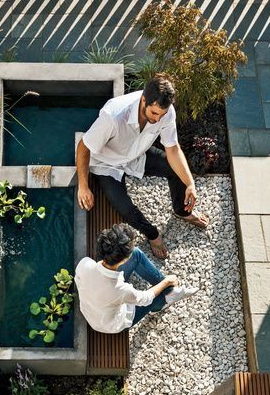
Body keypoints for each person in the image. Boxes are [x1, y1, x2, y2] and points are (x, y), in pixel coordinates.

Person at [76, 73, 209, 259]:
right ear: (144, 99)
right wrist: (83, 186)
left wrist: (190, 183)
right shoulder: (113, 115)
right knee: (126, 209)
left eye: (162, 115)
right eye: (154, 113)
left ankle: (181, 211)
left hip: (136, 154)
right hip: (107, 164)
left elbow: (173, 149)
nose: (158, 118)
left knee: (177, 172)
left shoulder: (165, 112)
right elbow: (83, 146)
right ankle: (152, 235)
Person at [75, 223, 198, 334]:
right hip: (112, 326)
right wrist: (167, 281)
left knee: (136, 253)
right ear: (124, 260)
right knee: (158, 293)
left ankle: (169, 292)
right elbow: (145, 298)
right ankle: (165, 298)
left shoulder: (85, 264)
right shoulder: (121, 289)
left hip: (92, 311)